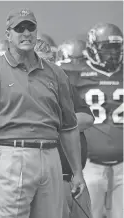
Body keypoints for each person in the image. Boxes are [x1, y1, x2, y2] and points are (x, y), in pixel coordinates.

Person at [0, 8, 85, 218]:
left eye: (31, 27)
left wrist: (77, 172)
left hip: (50, 154)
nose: (26, 33)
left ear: (36, 32)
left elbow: (69, 127)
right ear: (8, 34)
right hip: (10, 153)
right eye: (19, 28)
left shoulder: (56, 73)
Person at [61, 23, 123, 218]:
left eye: (116, 48)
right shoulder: (75, 73)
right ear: (92, 48)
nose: (112, 54)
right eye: (107, 48)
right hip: (89, 164)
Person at [55, 38, 95, 218]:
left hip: (73, 175)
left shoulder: (64, 86)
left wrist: (57, 123)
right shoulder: (18, 90)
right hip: (43, 179)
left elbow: (87, 118)